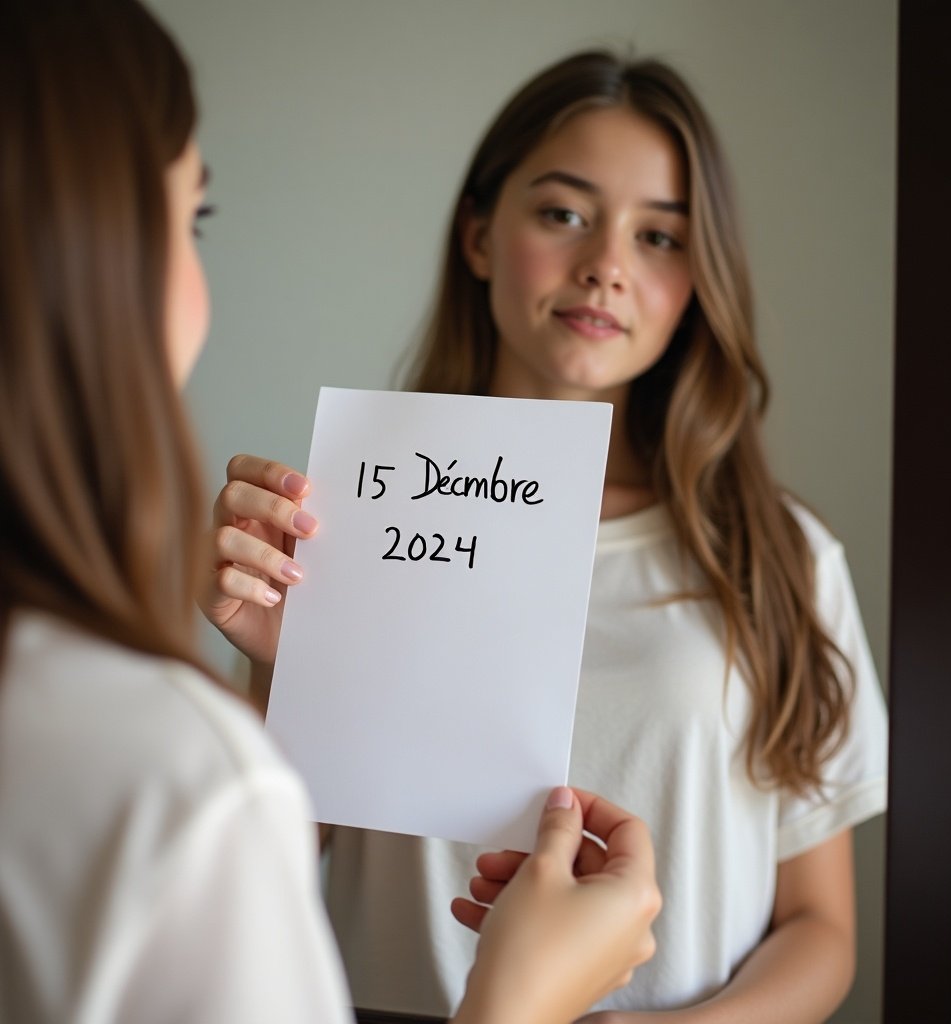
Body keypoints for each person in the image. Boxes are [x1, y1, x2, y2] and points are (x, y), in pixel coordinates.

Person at [0, 6, 662, 1022]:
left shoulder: (158, 756)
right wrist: (519, 1003)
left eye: (659, 233)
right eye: (190, 221)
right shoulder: (175, 772)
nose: (607, 264)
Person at [203, 50, 889, 1022]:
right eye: (564, 213)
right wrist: (280, 664)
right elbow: (267, 873)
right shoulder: (350, 519)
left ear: (700, 280)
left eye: (659, 236)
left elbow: (820, 928)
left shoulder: (781, 558)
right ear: (479, 236)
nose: (606, 264)